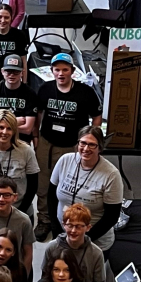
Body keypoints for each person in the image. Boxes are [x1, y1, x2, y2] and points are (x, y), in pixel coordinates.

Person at [35, 53, 103, 239]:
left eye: (65, 69)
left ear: (72, 71)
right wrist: (35, 135)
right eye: (57, 69)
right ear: (52, 71)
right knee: (43, 184)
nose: (61, 73)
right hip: (46, 143)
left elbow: (97, 116)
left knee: (68, 185)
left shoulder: (85, 92)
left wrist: (90, 139)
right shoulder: (45, 89)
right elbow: (38, 113)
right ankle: (44, 219)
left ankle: (68, 220)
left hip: (72, 146)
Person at [48, 127, 124, 250]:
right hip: (63, 235)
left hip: (94, 241)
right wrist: (56, 229)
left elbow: (111, 217)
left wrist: (83, 239)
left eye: (92, 145)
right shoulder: (65, 160)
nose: (86, 149)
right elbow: (51, 197)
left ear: (100, 147)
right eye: (82, 143)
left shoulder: (111, 175)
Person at [44, 202, 107, 282]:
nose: (73, 230)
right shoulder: (52, 248)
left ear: (88, 227)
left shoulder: (96, 254)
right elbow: (45, 278)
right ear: (64, 225)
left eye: (78, 226)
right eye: (70, 225)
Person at [0, 111, 38, 204]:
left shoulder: (26, 151)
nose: (5, 132)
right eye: (1, 127)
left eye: (9, 128)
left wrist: (20, 212)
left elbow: (32, 185)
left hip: (20, 209)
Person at [0, 54, 38, 143]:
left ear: (22, 72)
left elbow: (27, 129)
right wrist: (15, 121)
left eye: (16, 72)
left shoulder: (30, 93)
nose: (12, 75)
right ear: (2, 71)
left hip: (20, 141)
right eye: (8, 71)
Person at [0, 4, 30, 69]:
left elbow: (23, 61)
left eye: (6, 17)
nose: (3, 20)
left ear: (11, 18)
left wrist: (25, 79)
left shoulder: (19, 35)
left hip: (12, 73)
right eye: (0, 17)